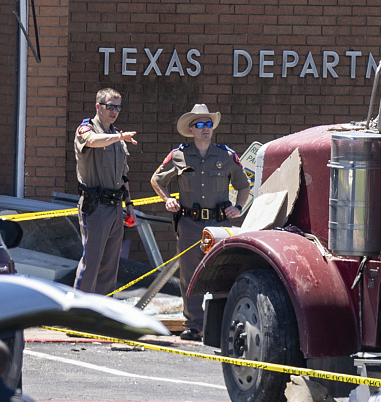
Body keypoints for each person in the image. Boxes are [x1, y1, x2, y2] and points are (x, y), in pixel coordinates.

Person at [150, 104, 251, 341]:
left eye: (209, 124)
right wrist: (167, 200)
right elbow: (156, 179)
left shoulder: (226, 155)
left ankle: (223, 326)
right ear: (191, 129)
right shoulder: (179, 155)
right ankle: (194, 325)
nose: (206, 129)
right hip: (190, 224)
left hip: (219, 223)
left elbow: (244, 186)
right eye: (200, 125)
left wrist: (238, 208)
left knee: (223, 272)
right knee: (189, 275)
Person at [74, 88, 137, 295]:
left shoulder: (116, 135)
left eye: (118, 107)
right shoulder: (87, 128)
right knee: (91, 264)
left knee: (110, 267)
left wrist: (129, 206)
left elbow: (123, 176)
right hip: (95, 206)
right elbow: (91, 141)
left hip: (116, 207)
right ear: (98, 107)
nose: (114, 111)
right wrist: (119, 138)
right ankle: (77, 317)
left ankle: (101, 318)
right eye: (110, 106)